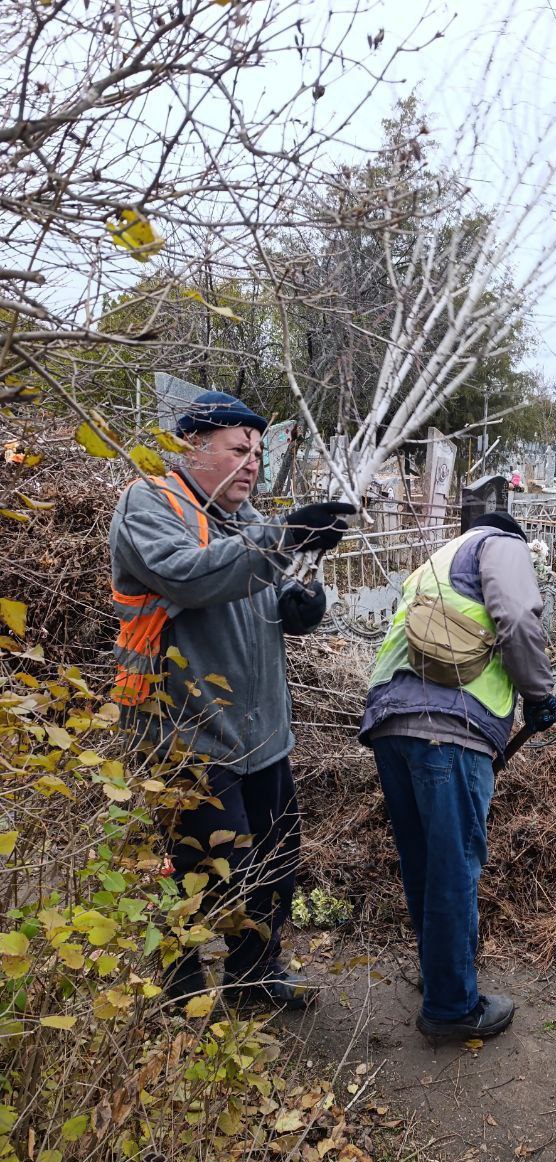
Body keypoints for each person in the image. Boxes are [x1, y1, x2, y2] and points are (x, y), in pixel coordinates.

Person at [109, 389, 354, 1008]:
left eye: (257, 453)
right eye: (239, 450)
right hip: (188, 736)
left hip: (263, 735)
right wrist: (286, 536)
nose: (252, 463)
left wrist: (298, 607)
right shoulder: (150, 505)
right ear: (193, 447)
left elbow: (253, 595)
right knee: (206, 868)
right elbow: (192, 577)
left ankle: (254, 978)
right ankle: (179, 993)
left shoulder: (243, 521)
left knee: (276, 861)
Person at [359, 511, 556, 1041]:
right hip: (449, 730)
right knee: (454, 867)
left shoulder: (439, 561)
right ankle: (451, 1009)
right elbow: (517, 620)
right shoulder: (502, 545)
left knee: (424, 862)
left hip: (391, 724)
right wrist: (539, 695)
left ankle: (440, 975)